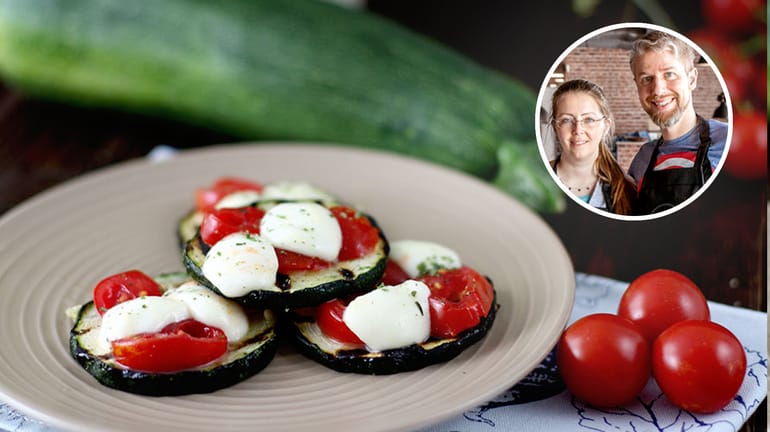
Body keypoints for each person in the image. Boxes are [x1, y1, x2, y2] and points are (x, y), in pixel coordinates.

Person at [627, 30, 728, 214]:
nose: (657, 90)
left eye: (669, 74)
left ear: (692, 79)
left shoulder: (727, 141)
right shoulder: (643, 158)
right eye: (646, 79)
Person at [549, 79, 637, 215]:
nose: (578, 130)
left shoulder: (628, 191)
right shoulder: (536, 179)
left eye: (589, 119)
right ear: (555, 127)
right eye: (567, 120)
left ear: (606, 126)